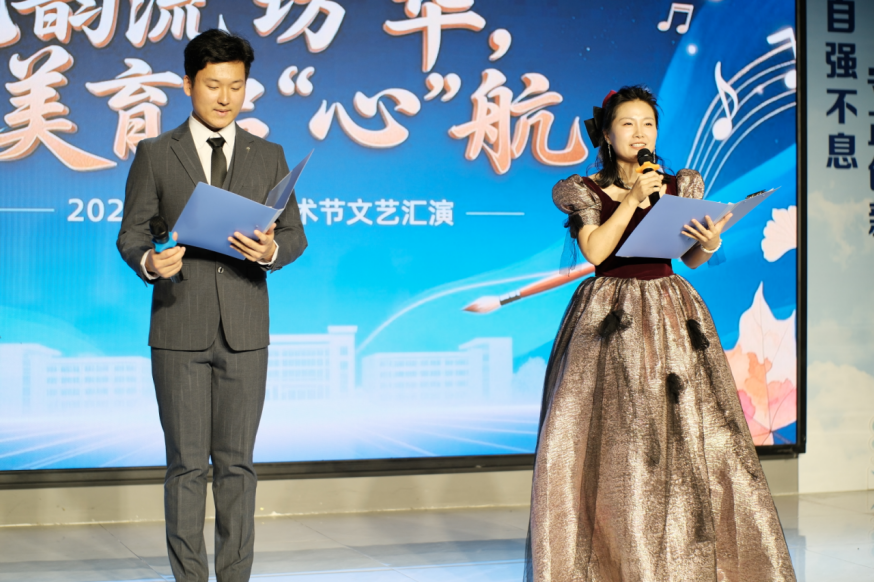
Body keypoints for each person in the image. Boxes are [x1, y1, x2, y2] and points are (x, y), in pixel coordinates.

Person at [524, 86, 795, 582]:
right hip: (609, 317)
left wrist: (708, 242)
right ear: (607, 135)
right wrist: (631, 200)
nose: (639, 134)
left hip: (671, 312)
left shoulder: (679, 185)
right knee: (620, 441)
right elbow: (596, 252)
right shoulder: (584, 190)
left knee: (684, 435)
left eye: (647, 124)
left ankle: (681, 557)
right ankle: (616, 558)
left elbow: (691, 258)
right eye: (627, 124)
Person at [116, 29, 307, 582]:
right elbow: (131, 234)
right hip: (179, 326)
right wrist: (151, 262)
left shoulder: (268, 155)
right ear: (188, 85)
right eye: (213, 85)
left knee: (237, 466)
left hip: (245, 330)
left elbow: (294, 234)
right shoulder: (157, 153)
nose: (225, 98)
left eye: (236, 86)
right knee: (185, 467)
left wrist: (271, 251)